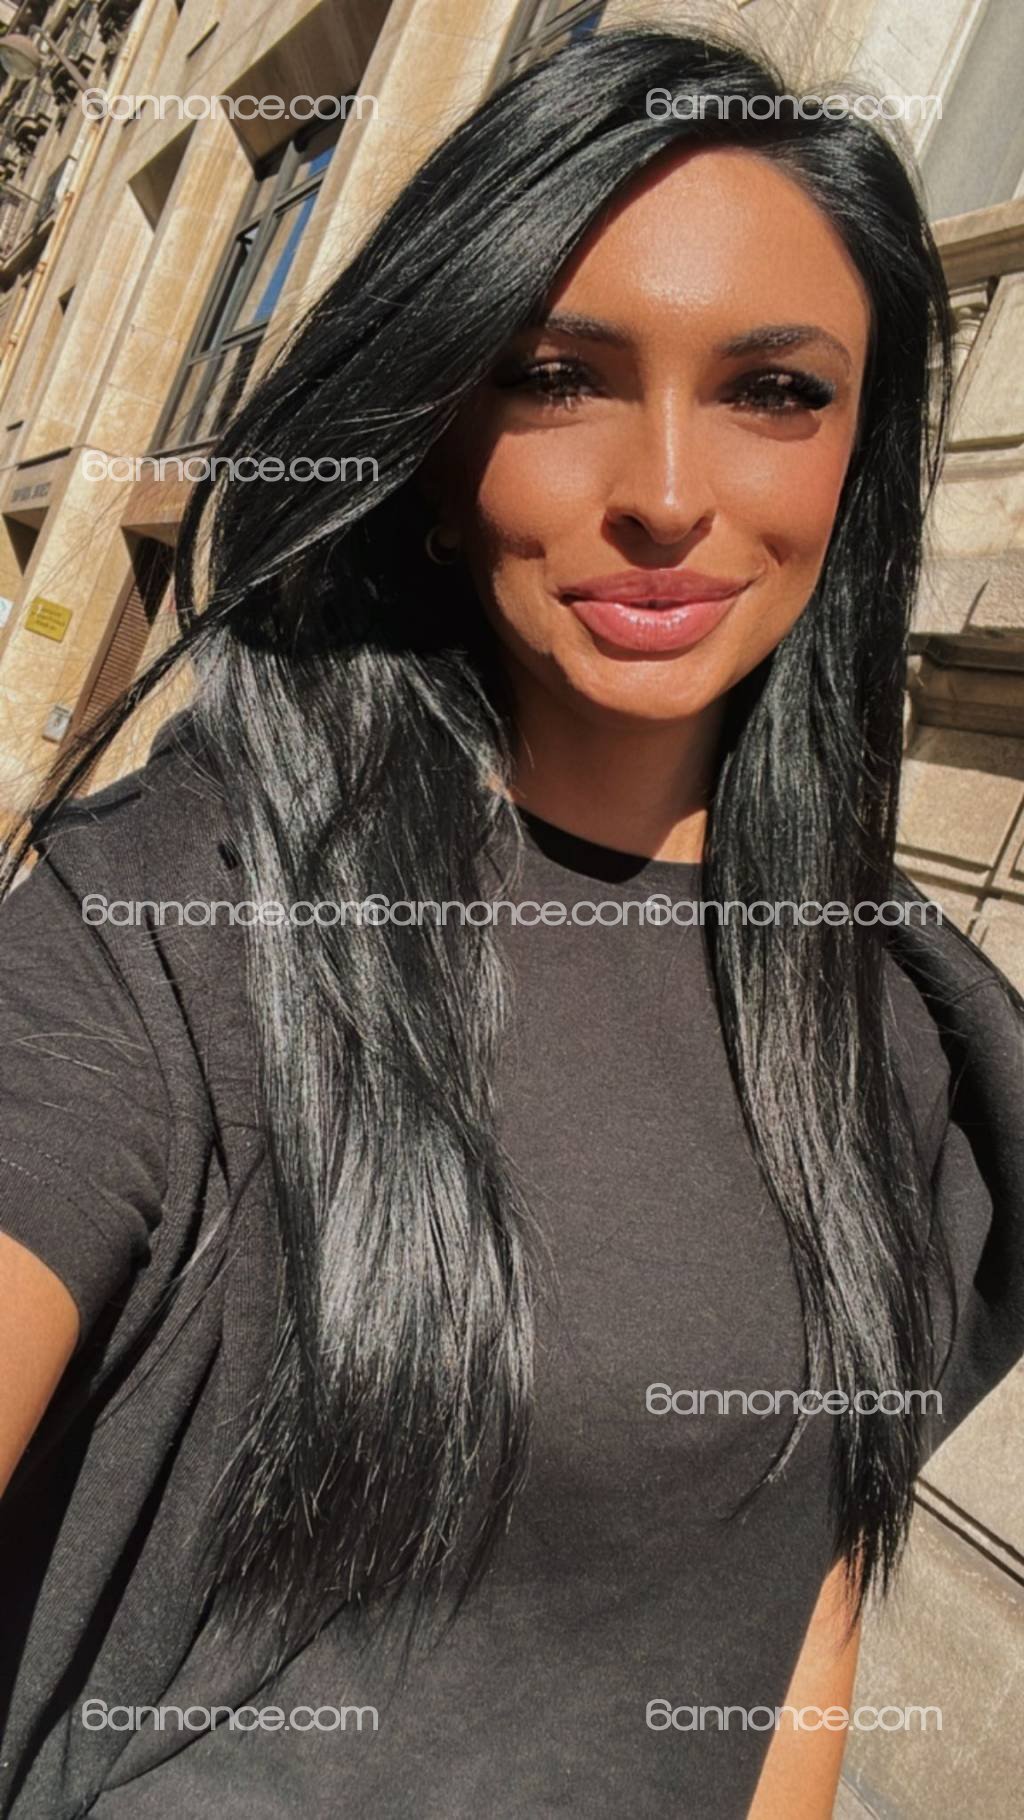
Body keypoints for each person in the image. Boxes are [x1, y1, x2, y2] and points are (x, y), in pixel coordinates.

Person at [1, 25, 1022, 1820]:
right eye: (558, 375)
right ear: (439, 425)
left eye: (776, 391)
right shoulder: (170, 930)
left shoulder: (903, 1034)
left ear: (858, 458)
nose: (669, 492)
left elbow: (796, 1615)